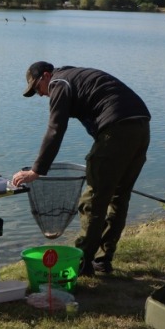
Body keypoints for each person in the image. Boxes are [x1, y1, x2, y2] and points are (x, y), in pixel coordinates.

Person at [12, 62, 151, 276]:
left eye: (37, 87)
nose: (40, 94)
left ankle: (82, 262)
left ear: (46, 76)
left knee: (92, 200)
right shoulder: (73, 76)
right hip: (140, 126)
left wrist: (36, 170)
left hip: (118, 129)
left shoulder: (59, 83)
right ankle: (102, 260)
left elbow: (55, 128)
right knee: (119, 197)